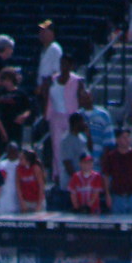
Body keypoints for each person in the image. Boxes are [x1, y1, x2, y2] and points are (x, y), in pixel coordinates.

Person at [46, 54, 86, 184]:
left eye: (66, 64)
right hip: (56, 116)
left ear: (71, 65)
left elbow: (82, 98)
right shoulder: (53, 79)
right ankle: (57, 175)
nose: (63, 66)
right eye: (61, 63)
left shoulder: (77, 80)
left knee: (70, 144)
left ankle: (75, 175)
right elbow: (48, 98)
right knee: (57, 147)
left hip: (71, 117)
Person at [101, 127, 132, 215]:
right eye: (124, 137)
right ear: (117, 140)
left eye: (128, 136)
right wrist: (107, 194)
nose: (127, 140)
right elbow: (106, 175)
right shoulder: (111, 156)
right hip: (118, 197)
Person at [36, 19, 63, 103]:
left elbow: (57, 72)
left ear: (51, 33)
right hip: (43, 89)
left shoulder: (55, 49)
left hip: (50, 89)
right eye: (40, 31)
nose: (41, 34)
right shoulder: (44, 49)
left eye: (44, 31)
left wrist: (44, 86)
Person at [0, 141, 20, 214]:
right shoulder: (2, 164)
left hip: (16, 199)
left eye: (14, 151)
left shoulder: (20, 164)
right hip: (3, 199)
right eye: (10, 151)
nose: (12, 153)